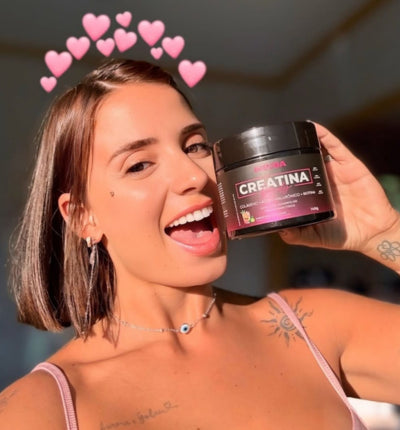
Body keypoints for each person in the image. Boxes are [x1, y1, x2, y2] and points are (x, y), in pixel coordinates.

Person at [1, 58, 399, 430]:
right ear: (83, 217)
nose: (194, 175)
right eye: (139, 164)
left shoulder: (313, 328)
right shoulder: (42, 408)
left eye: (195, 146)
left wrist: (384, 234)